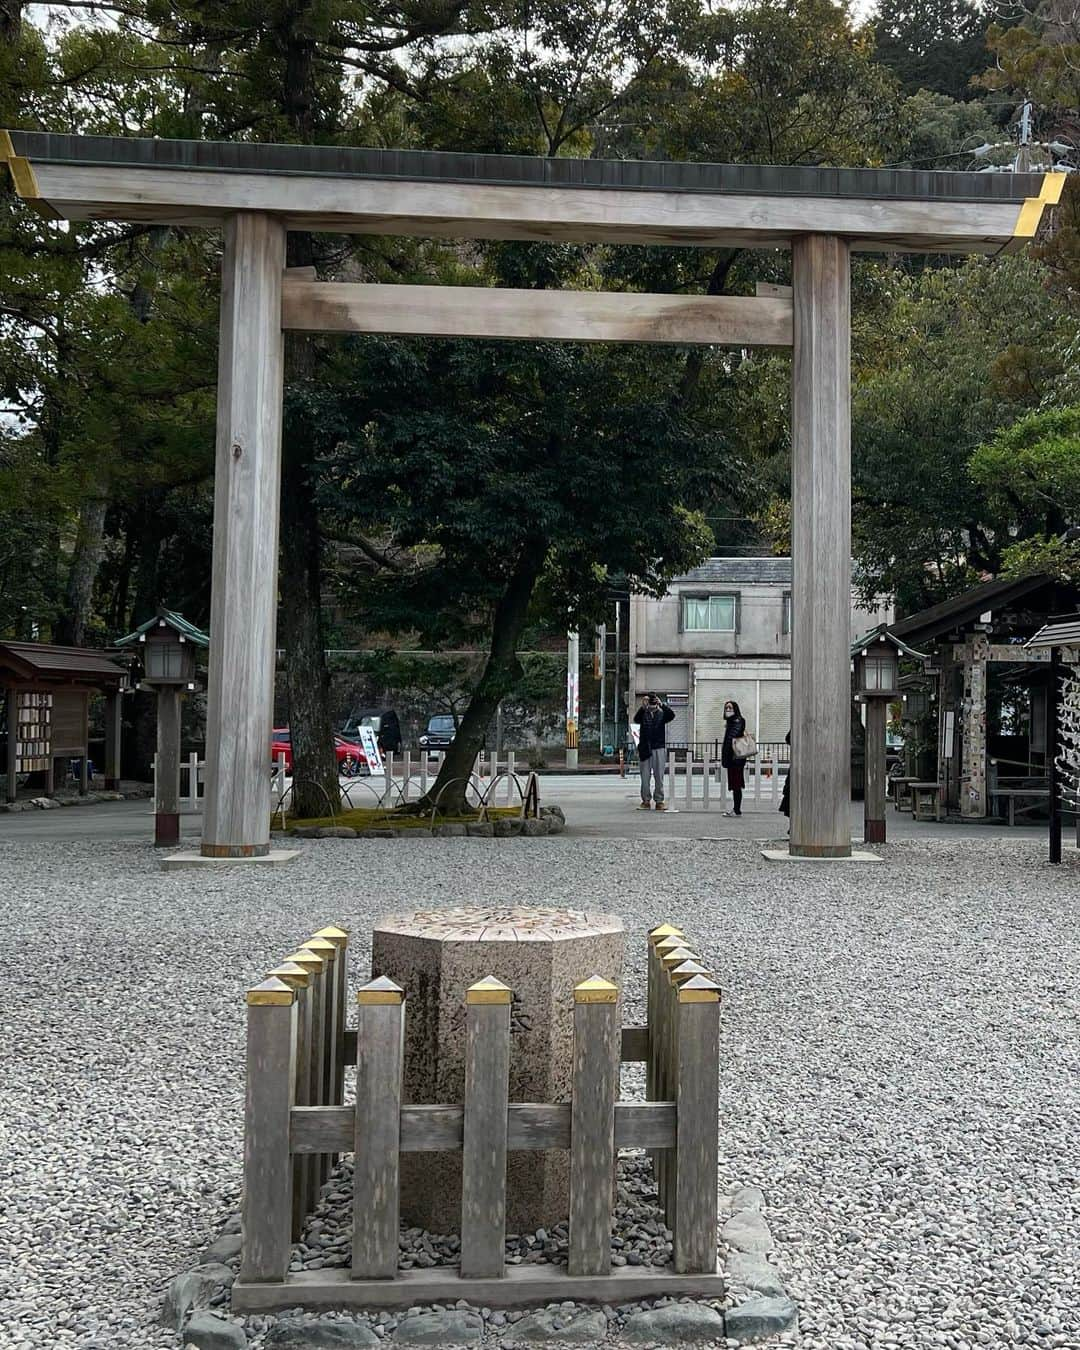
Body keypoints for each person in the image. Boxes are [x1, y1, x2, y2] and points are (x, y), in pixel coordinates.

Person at [633, 692, 676, 810]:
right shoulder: (643, 713)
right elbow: (636, 719)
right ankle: (645, 800)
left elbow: (672, 715)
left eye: (653, 700)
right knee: (645, 777)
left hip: (659, 747)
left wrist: (662, 705)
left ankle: (659, 800)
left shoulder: (661, 714)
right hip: (645, 748)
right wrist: (643, 707)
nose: (652, 703)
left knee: (659, 776)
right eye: (650, 700)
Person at [721, 699, 747, 817]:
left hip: (735, 758)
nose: (728, 710)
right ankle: (736, 809)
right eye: (726, 708)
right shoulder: (731, 722)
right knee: (735, 785)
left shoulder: (737, 721)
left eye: (730, 708)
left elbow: (732, 737)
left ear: (735, 709)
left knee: (736, 785)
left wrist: (726, 757)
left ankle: (737, 810)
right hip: (733, 758)